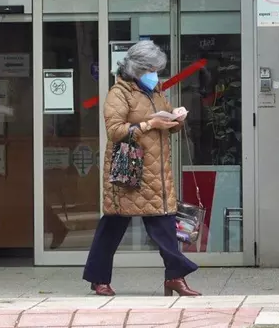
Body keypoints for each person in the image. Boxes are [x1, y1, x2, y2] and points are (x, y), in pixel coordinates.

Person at [82, 40, 200, 297]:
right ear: (137, 69)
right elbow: (115, 131)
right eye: (151, 69)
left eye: (157, 69)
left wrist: (176, 119)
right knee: (112, 227)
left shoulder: (156, 91)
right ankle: (98, 278)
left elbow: (165, 121)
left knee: (165, 227)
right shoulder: (119, 93)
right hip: (128, 171)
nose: (155, 75)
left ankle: (175, 277)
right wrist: (149, 124)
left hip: (156, 171)